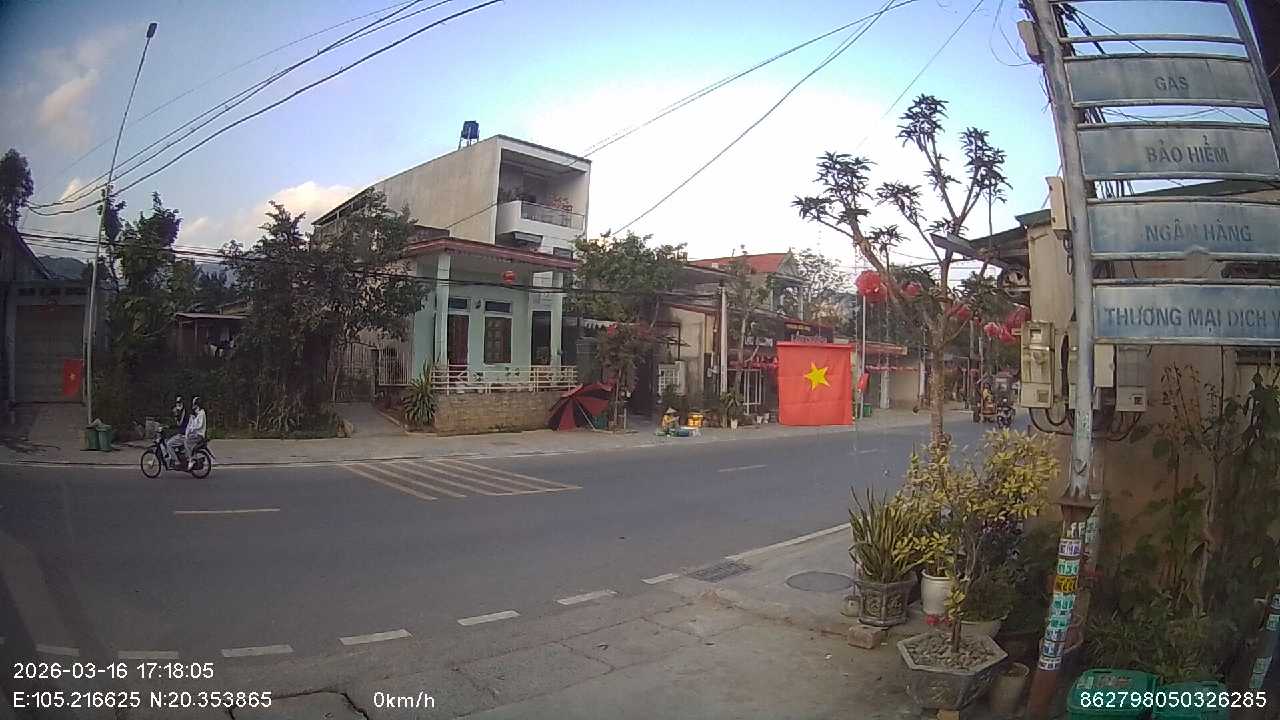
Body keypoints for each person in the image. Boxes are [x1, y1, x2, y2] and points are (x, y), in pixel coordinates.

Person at [183, 396, 207, 469]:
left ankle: (191, 459)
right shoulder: (196, 414)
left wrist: (192, 429)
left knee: (186, 442)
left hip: (199, 435)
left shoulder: (201, 413)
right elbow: (191, 425)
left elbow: (199, 425)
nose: (192, 405)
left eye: (194, 404)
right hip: (195, 434)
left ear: (197, 405)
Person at [167, 396, 188, 465]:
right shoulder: (183, 411)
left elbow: (179, 423)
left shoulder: (183, 412)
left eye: (179, 402)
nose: (177, 404)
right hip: (184, 433)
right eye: (177, 402)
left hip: (183, 434)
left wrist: (176, 415)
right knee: (173, 438)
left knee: (169, 444)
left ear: (182, 403)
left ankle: (176, 461)